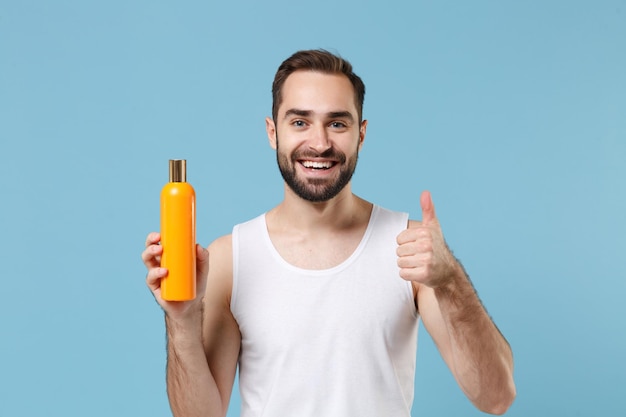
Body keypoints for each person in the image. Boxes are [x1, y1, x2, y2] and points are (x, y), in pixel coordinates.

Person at [142, 49, 516, 417]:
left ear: (362, 134)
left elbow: (496, 398)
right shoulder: (230, 259)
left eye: (337, 123)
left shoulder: (410, 247)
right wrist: (182, 320)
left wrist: (450, 280)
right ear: (273, 132)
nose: (319, 143)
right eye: (300, 122)